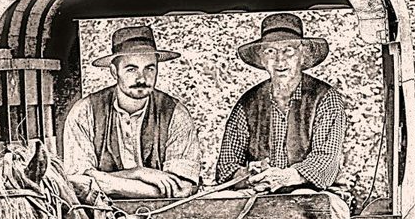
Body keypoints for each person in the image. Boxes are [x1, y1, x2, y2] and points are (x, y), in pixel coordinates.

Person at [61, 24, 201, 198]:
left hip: (165, 217)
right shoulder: (85, 111)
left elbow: (182, 188)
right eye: (131, 69)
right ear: (114, 71)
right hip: (99, 216)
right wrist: (139, 173)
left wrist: (108, 183)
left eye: (149, 68)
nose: (142, 78)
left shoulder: (175, 113)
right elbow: (78, 182)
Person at [215, 12, 347, 192]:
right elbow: (225, 168)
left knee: (306, 205)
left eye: (288, 50)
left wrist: (286, 177)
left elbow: (325, 162)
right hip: (259, 192)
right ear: (262, 58)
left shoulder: (325, 97)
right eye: (270, 51)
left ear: (303, 54)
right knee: (223, 207)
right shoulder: (248, 103)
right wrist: (247, 174)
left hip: (316, 192)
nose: (280, 60)